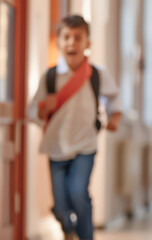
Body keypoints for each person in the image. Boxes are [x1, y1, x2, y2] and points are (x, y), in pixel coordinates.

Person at [27, 15, 122, 240]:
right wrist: (43, 110)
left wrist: (115, 117)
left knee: (78, 193)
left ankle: (85, 236)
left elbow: (114, 100)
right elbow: (32, 111)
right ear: (59, 41)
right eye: (66, 37)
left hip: (85, 145)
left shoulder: (97, 74)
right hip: (56, 147)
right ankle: (69, 230)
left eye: (78, 38)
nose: (72, 43)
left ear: (88, 43)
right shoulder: (50, 77)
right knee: (60, 204)